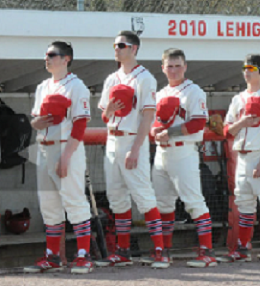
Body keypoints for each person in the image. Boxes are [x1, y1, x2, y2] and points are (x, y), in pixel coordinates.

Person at [96, 31, 168, 268]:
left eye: (122, 45)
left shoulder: (144, 77)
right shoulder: (111, 78)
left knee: (144, 196)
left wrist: (136, 149)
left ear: (134, 49)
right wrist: (110, 111)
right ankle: (123, 250)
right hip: (112, 139)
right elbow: (104, 115)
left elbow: (148, 116)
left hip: (131, 139)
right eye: (115, 45)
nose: (117, 48)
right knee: (116, 197)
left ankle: (160, 250)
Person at [24, 41, 94, 274]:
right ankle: (53, 256)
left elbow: (80, 124)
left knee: (74, 201)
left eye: (52, 55)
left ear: (66, 59)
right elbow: (34, 120)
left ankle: (84, 255)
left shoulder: (77, 86)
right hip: (43, 147)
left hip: (66, 148)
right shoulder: (43, 86)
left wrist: (66, 157)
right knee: (49, 205)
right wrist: (36, 123)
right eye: (46, 55)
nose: (47, 58)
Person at [146, 48, 216, 267]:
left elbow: (198, 122)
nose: (174, 70)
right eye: (170, 66)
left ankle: (207, 252)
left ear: (185, 67)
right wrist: (155, 132)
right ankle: (164, 251)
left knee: (194, 202)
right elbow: (152, 125)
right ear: (163, 68)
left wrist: (171, 132)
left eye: (178, 65)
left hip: (183, 150)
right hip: (162, 152)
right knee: (163, 204)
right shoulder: (161, 93)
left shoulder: (193, 91)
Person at [218, 54, 260, 264]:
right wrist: (243, 122)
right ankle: (242, 248)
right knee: (245, 203)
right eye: (245, 68)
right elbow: (227, 131)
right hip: (242, 156)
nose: (246, 71)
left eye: (251, 68)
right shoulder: (238, 99)